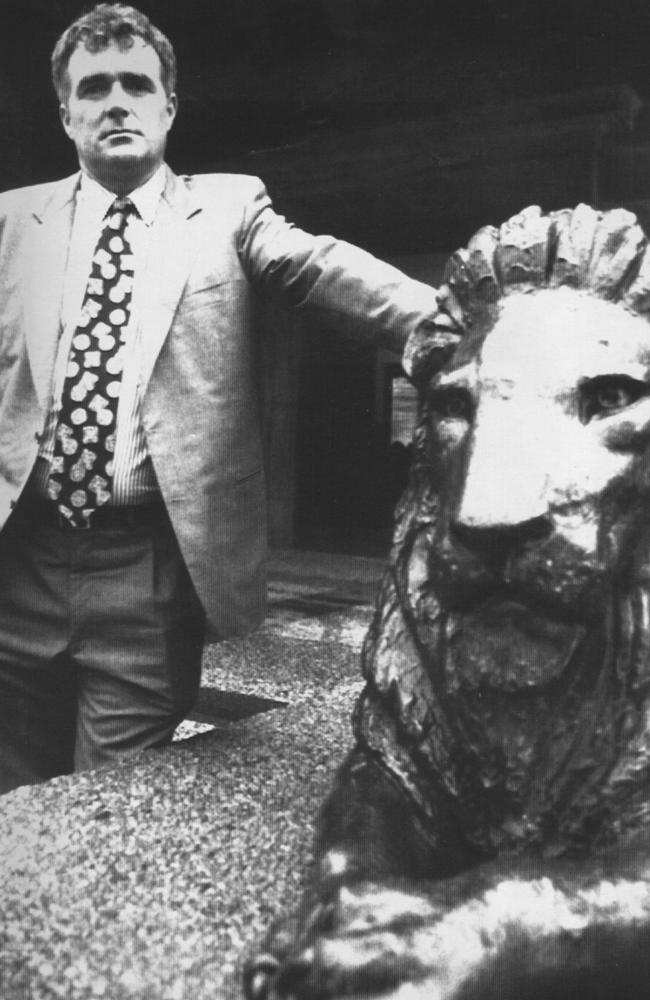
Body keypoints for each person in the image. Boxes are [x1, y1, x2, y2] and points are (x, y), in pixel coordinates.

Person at [0, 3, 439, 794]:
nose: (116, 102)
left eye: (137, 83)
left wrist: (464, 328)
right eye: (93, 88)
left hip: (146, 573)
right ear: (66, 113)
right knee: (13, 803)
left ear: (169, 106)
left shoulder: (230, 209)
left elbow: (320, 269)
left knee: (114, 813)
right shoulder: (10, 221)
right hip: (16, 561)